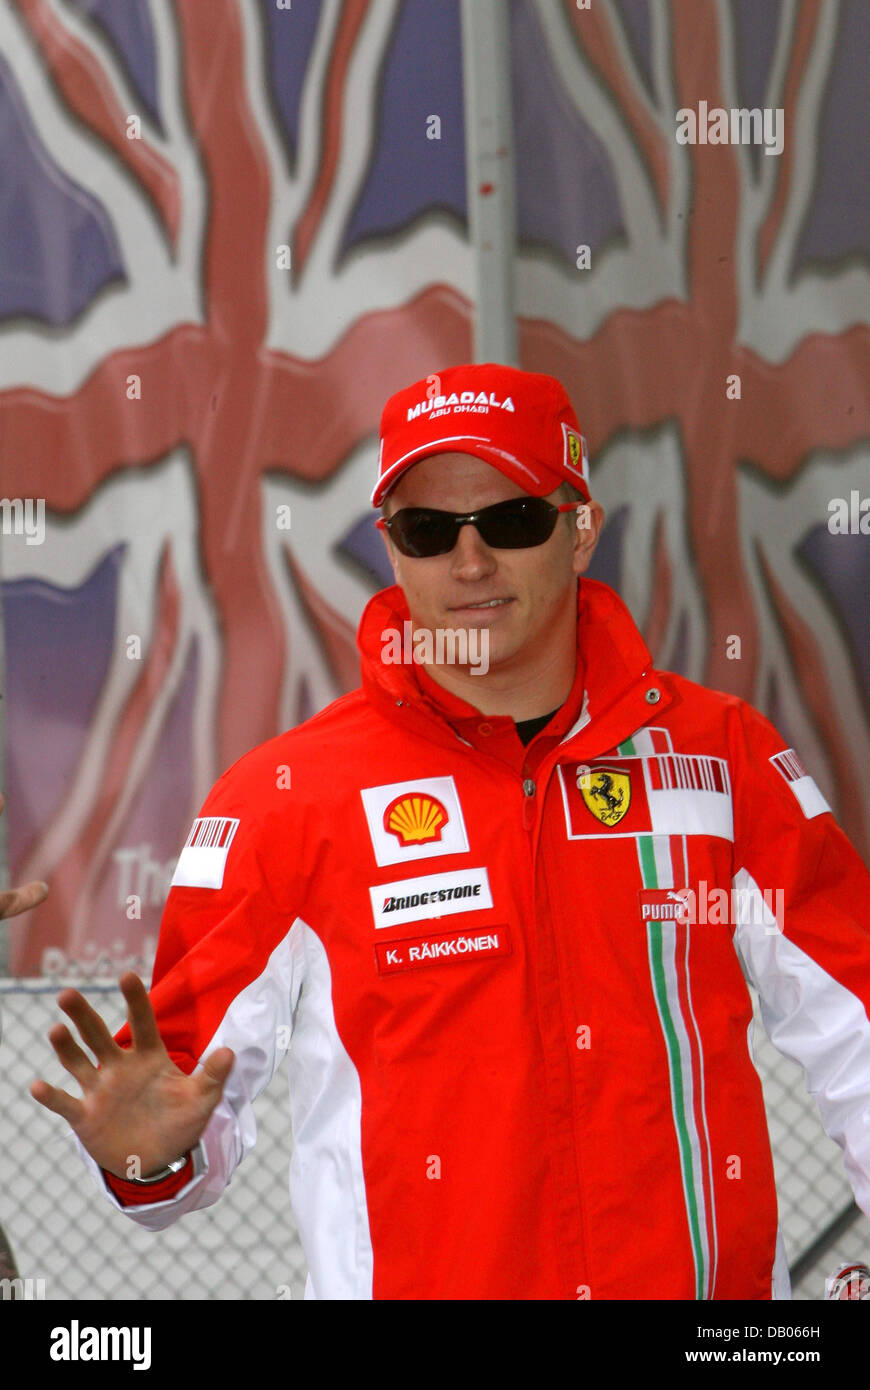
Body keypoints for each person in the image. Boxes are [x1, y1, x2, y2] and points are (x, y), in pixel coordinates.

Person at [29, 363, 870, 1300]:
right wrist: (148, 1163)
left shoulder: (721, 759)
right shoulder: (284, 798)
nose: (470, 565)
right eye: (430, 532)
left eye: (511, 520)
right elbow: (176, 1122)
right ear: (392, 550)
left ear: (581, 527)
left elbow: (859, 1035)